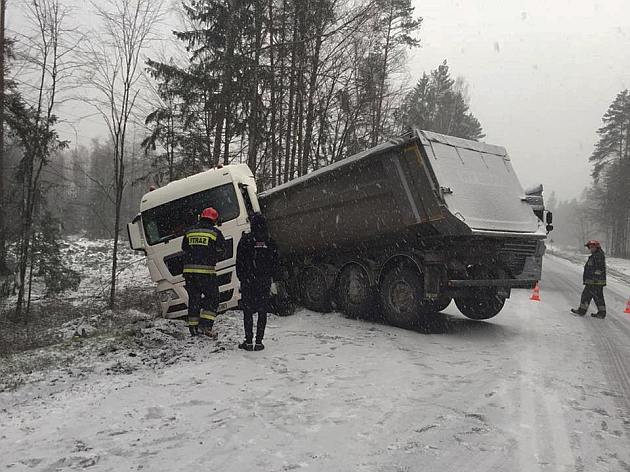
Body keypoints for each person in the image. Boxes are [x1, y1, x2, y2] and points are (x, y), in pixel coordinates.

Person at [236, 213, 279, 351]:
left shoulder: (245, 240)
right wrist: (270, 276)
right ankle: (259, 342)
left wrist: (243, 278)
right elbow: (276, 261)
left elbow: (239, 262)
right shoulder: (270, 241)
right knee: (262, 310)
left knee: (247, 312)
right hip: (264, 281)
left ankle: (248, 341)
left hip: (249, 282)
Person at [181, 207, 226, 336]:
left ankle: (193, 328)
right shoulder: (215, 233)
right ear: (214, 220)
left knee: (194, 299)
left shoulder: (189, 231)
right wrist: (211, 255)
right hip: (206, 273)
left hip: (189, 273)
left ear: (201, 217)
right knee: (213, 297)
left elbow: (184, 247)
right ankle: (206, 325)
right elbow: (222, 250)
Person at [571, 240, 606, 319]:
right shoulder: (595, 255)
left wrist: (593, 276)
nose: (590, 249)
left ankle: (583, 311)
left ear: (596, 247)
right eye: (590, 247)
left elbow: (600, 268)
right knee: (595, 297)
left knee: (589, 296)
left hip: (595, 282)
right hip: (594, 281)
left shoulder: (598, 256)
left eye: (592, 247)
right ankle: (600, 313)